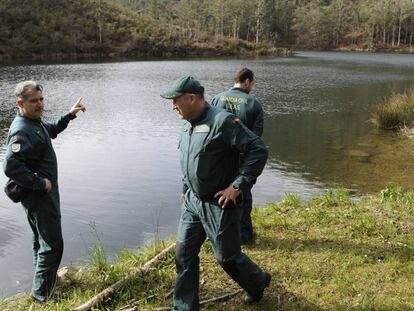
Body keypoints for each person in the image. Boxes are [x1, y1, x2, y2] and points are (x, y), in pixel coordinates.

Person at [161, 75, 270, 311]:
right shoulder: (186, 124)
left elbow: (257, 150)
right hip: (193, 202)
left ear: (191, 98)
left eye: (175, 100)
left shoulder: (223, 122)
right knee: (183, 255)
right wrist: (185, 188)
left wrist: (238, 186)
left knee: (227, 257)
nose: (172, 106)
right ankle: (184, 307)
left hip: (219, 204)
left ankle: (257, 282)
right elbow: (188, 160)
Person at [3, 81, 86, 303]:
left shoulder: (34, 123)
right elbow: (10, 166)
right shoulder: (22, 130)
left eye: (41, 99)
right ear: (20, 103)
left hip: (42, 195)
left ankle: (45, 283)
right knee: (52, 245)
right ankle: (42, 296)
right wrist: (40, 183)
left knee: (41, 241)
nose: (40, 104)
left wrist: (69, 115)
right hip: (40, 197)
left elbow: (51, 131)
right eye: (34, 101)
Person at [210, 67, 264, 244]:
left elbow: (209, 131)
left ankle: (218, 233)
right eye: (253, 83)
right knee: (243, 195)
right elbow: (255, 140)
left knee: (218, 194)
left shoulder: (217, 99)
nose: (252, 86)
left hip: (219, 159)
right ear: (247, 81)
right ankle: (244, 236)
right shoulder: (254, 104)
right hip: (241, 159)